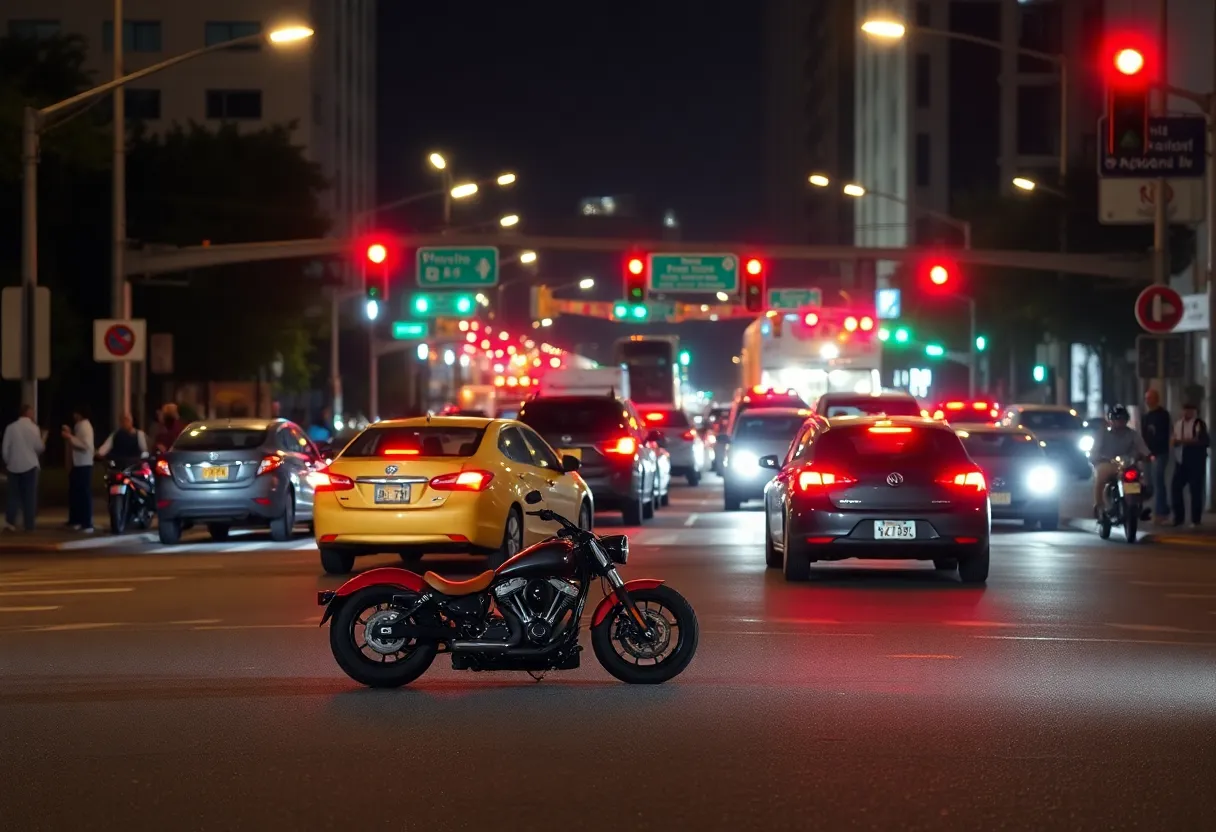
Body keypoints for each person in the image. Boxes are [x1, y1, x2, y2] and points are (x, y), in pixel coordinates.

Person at [1092, 404, 1151, 516]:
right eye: (1117, 419)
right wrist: (1096, 457)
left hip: (1128, 464)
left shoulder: (1132, 434)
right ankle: (1099, 505)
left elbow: (1142, 448)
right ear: (1111, 420)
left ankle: (1136, 505)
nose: (1120, 422)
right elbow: (1095, 450)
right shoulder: (1103, 434)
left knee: (1137, 480)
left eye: (1122, 419)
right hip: (1107, 463)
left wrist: (1147, 456)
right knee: (1100, 477)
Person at [2, 405, 46, 532]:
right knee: (29, 496)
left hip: (13, 466)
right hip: (30, 465)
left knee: (13, 496)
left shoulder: (10, 428)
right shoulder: (34, 428)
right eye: (32, 413)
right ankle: (29, 524)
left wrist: (9, 462)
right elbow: (40, 447)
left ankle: (10, 522)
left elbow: (5, 449)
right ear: (28, 413)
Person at [1170, 402, 1209, 528]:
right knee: (1175, 488)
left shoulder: (1198, 424)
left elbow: (1200, 440)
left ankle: (1195, 519)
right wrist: (1175, 443)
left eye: (1190, 411)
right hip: (1180, 460)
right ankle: (1178, 518)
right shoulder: (1178, 424)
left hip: (1195, 461)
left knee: (1195, 490)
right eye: (1185, 410)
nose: (1187, 413)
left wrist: (1183, 441)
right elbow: (1174, 439)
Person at [62, 408, 96, 532]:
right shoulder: (80, 426)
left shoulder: (84, 426)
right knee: (75, 493)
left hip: (83, 464)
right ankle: (76, 520)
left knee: (83, 493)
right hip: (78, 464)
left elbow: (85, 445)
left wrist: (69, 436)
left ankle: (87, 523)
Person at [1141, 389, 1172, 523]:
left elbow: (1164, 435)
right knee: (1148, 483)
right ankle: (1152, 509)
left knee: (1158, 480)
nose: (1147, 401)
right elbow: (1143, 435)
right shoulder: (1146, 416)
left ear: (1156, 399)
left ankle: (1161, 512)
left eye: (1150, 398)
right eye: (1146, 398)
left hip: (1160, 453)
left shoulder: (1163, 415)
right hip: (1147, 453)